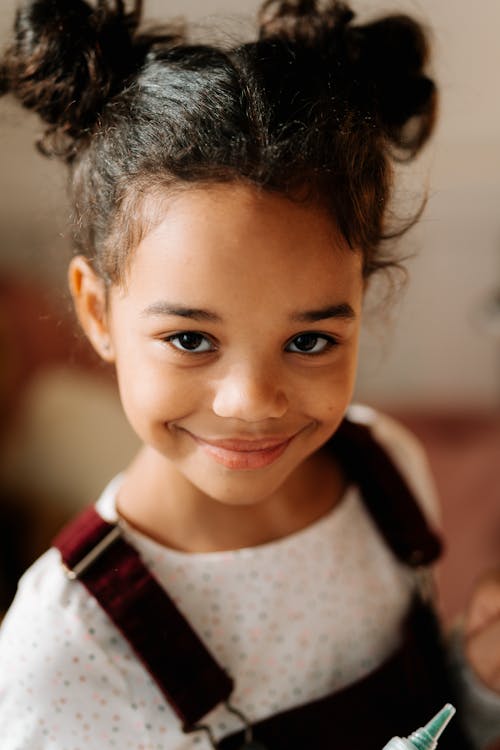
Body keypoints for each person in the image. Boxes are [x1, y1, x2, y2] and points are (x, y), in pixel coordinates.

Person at [0, 0, 499, 748]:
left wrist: (482, 684)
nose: (251, 401)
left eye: (308, 342)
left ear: (361, 302)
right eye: (192, 339)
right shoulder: (66, 652)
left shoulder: (385, 471)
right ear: (98, 312)